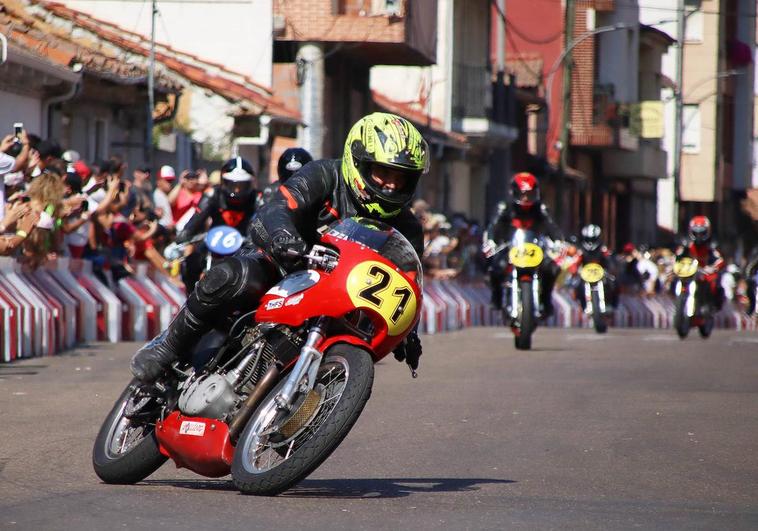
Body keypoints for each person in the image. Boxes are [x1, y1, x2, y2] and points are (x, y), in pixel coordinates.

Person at [131, 112, 429, 383]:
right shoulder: (325, 174)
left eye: (400, 177)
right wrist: (286, 240)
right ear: (359, 162)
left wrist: (409, 331)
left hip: (337, 293)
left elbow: (407, 281)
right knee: (233, 275)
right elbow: (277, 208)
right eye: (384, 173)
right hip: (284, 262)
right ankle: (168, 347)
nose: (391, 185)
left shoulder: (410, 228)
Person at [482, 172, 564, 315]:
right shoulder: (504, 207)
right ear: (514, 192)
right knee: (494, 267)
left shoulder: (541, 208)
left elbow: (552, 227)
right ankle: (496, 298)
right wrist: (490, 241)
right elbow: (494, 226)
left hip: (535, 249)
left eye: (530, 194)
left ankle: (545, 300)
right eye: (522, 194)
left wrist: (558, 241)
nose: (526, 198)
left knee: (552, 269)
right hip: (510, 248)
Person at [175, 157, 258, 291]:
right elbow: (197, 218)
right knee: (190, 262)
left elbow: (263, 221)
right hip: (213, 244)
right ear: (223, 181)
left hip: (246, 245)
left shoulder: (257, 198)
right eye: (233, 184)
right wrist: (185, 233)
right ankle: (191, 299)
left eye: (241, 185)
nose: (237, 190)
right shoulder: (212, 194)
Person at [675, 215, 726, 310]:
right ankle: (679, 302)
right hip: (689, 272)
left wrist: (714, 267)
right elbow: (677, 256)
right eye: (696, 233)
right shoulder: (686, 243)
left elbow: (720, 259)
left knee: (716, 284)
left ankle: (711, 305)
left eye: (702, 233)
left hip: (705, 272)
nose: (699, 236)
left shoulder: (712, 245)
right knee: (675, 278)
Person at [573, 224, 619, 309]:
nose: (590, 242)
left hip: (601, 274)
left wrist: (611, 269)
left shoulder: (603, 249)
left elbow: (609, 260)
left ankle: (613, 305)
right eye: (588, 239)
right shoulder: (581, 250)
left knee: (613, 283)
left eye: (593, 239)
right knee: (576, 285)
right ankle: (580, 305)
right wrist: (574, 270)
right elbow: (576, 262)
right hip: (585, 275)